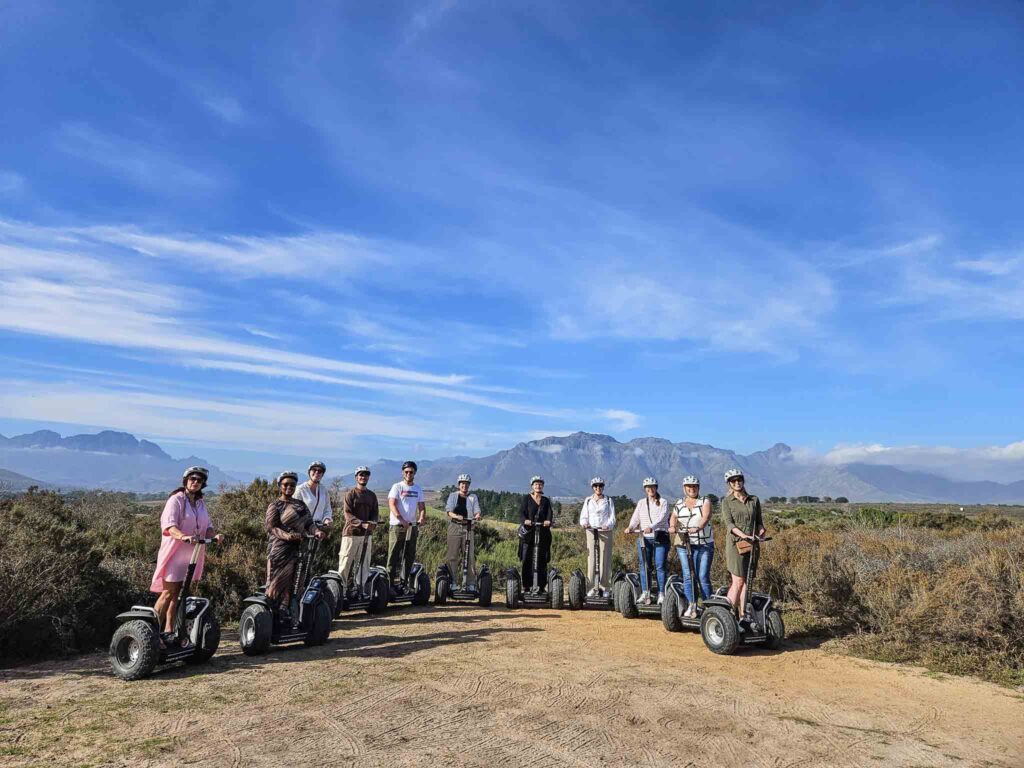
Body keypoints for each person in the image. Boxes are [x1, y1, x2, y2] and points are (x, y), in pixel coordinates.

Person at [150, 466, 224, 636]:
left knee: (179, 594)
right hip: (175, 553)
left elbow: (208, 526)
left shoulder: (200, 502)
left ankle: (169, 630)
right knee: (168, 593)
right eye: (192, 479)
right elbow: (169, 525)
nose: (195, 482)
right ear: (186, 480)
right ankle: (151, 632)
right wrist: (183, 536)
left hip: (191, 555)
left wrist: (215, 535)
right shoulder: (176, 500)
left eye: (199, 480)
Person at [265, 471, 325, 620]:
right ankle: (272, 616)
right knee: (276, 583)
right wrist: (288, 536)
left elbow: (309, 523)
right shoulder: (275, 506)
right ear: (280, 486)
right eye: (285, 484)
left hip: (298, 550)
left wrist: (316, 531)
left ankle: (290, 613)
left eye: (292, 485)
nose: (289, 487)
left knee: (296, 581)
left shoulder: (300, 505)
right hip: (279, 551)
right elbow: (272, 528)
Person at [720, 468, 766, 624]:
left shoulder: (754, 500)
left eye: (739, 480)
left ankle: (742, 614)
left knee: (747, 581)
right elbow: (729, 524)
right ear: (729, 484)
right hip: (735, 545)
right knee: (738, 580)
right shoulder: (726, 502)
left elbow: (759, 521)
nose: (737, 483)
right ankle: (726, 615)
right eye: (733, 481)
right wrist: (743, 535)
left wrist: (761, 531)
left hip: (752, 544)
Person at [669, 475, 714, 618]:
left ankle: (709, 608)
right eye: (689, 486)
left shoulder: (704, 501)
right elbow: (673, 517)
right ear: (684, 488)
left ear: (698, 488)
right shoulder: (679, 503)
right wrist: (671, 526)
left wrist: (698, 527)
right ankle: (692, 605)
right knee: (688, 576)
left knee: (702, 576)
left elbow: (706, 517)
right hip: (684, 543)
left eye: (694, 486)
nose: (692, 489)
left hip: (703, 544)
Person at [626, 477, 671, 605]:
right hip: (644, 539)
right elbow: (636, 517)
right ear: (645, 489)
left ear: (656, 488)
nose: (650, 489)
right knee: (644, 565)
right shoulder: (641, 502)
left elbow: (663, 518)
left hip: (660, 536)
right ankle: (646, 592)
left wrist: (651, 527)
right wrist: (631, 527)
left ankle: (661, 593)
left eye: (653, 487)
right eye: (648, 487)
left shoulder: (663, 502)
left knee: (660, 565)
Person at [339, 466, 379, 597]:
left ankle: (360, 590)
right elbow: (347, 514)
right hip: (351, 534)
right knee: (345, 564)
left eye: (366, 475)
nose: (363, 477)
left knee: (364, 564)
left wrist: (373, 523)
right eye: (361, 475)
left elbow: (375, 513)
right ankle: (341, 592)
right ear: (356, 477)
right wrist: (362, 524)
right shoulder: (350, 494)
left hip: (366, 536)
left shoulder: (372, 495)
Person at [387, 461, 426, 594]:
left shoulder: (418, 489)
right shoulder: (397, 487)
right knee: (394, 555)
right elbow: (392, 504)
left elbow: (421, 507)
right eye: (406, 472)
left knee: (409, 555)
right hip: (397, 526)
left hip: (412, 526)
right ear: (402, 472)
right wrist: (401, 519)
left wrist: (421, 518)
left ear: (415, 473)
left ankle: (404, 584)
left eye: (411, 472)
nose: (409, 474)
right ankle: (390, 585)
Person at [578, 476, 615, 597]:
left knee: (605, 559)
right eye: (596, 486)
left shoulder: (608, 500)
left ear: (603, 487)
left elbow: (612, 517)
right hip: (591, 531)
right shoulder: (588, 500)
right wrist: (584, 523)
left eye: (600, 486)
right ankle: (591, 588)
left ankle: (605, 587)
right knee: (592, 560)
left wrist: (607, 525)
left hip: (605, 531)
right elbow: (584, 516)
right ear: (593, 488)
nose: (598, 488)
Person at [444, 473, 482, 591]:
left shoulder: (473, 497)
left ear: (469, 485)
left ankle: (470, 583)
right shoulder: (453, 495)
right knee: (453, 556)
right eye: (462, 484)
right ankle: (453, 582)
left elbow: (476, 510)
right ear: (459, 485)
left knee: (469, 555)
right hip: (455, 527)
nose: (464, 486)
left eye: (466, 484)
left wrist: (477, 515)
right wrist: (456, 516)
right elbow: (449, 511)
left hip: (468, 527)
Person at [518, 475, 553, 593]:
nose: (538, 486)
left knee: (542, 559)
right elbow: (521, 513)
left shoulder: (546, 500)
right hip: (529, 533)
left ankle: (541, 586)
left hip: (542, 533)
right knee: (527, 558)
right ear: (532, 486)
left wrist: (548, 521)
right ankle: (526, 585)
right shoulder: (526, 499)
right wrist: (525, 520)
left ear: (542, 486)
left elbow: (549, 514)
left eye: (540, 484)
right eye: (536, 484)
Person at [296, 460, 333, 526]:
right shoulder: (300, 490)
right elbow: (295, 510)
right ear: (309, 472)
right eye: (314, 470)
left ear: (322, 474)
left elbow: (327, 509)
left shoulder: (323, 490)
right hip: (304, 528)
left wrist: (327, 519)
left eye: (320, 471)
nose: (317, 472)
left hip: (320, 528)